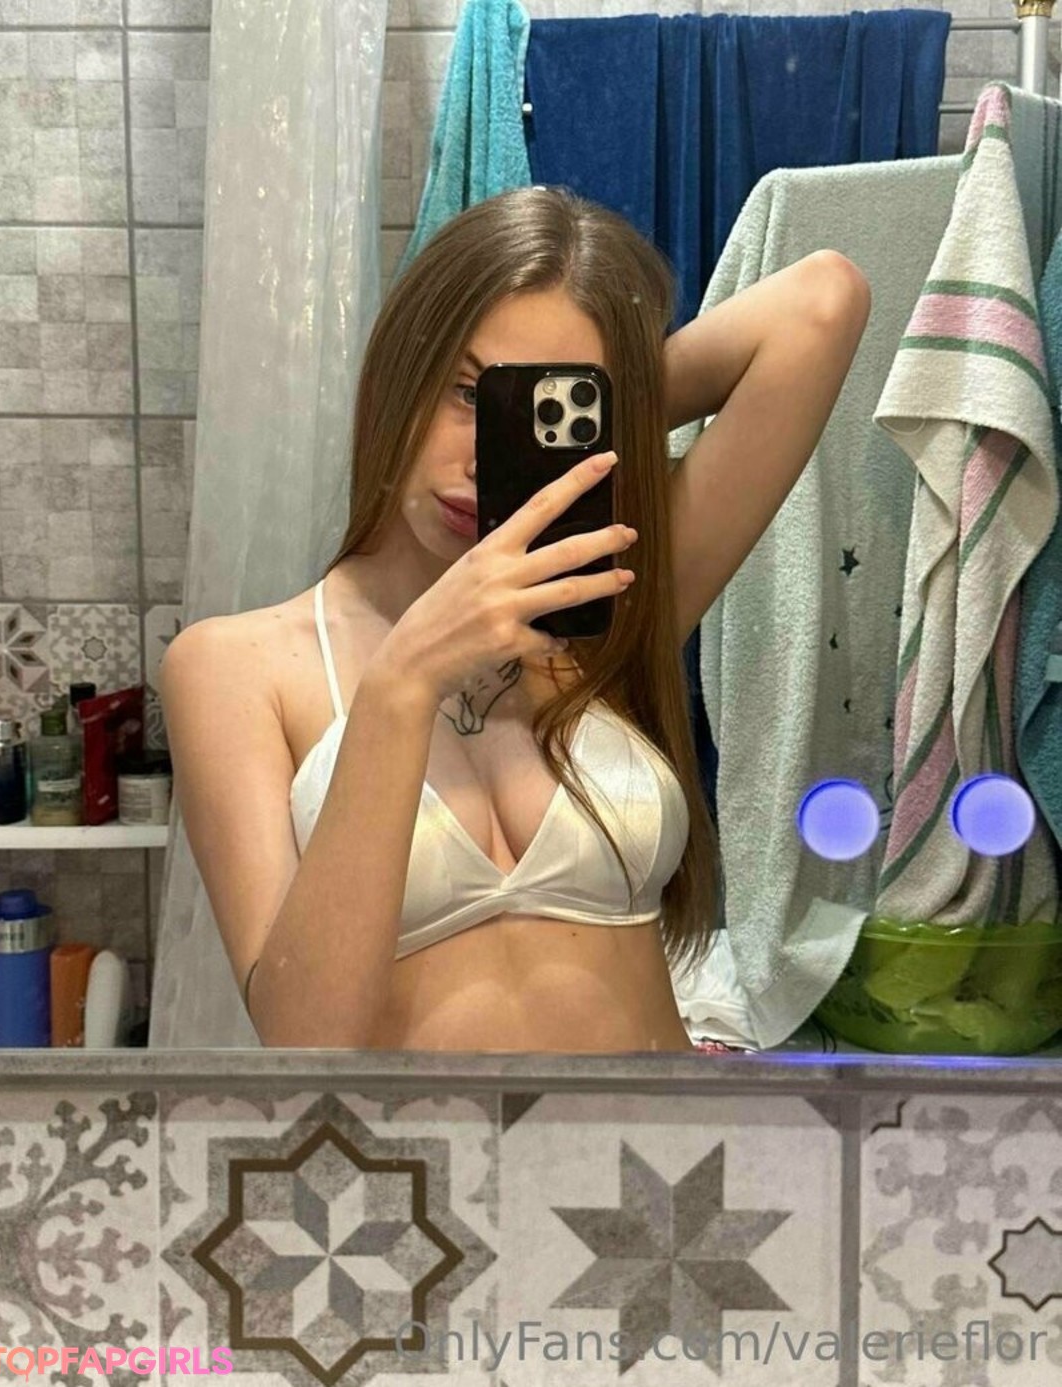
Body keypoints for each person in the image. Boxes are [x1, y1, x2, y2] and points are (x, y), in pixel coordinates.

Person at [160, 187, 869, 1052]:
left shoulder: (609, 607)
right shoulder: (233, 667)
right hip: (417, 1145)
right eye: (467, 391)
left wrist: (588, 419)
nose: (479, 456)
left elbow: (823, 303)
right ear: (396, 374)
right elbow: (305, 1037)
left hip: (668, 1130)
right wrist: (403, 682)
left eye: (539, 409)